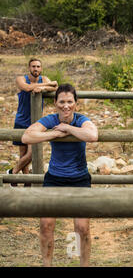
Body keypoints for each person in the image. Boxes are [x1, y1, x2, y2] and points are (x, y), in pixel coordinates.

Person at [22, 84, 98, 267]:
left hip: (79, 178)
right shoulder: (51, 120)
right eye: (62, 102)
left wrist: (69, 129)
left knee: (82, 228)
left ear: (76, 104)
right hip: (54, 178)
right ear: (55, 103)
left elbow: (92, 135)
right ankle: (47, 264)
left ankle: (84, 265)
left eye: (70, 102)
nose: (66, 106)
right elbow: (27, 137)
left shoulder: (80, 119)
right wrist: (54, 134)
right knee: (46, 225)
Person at [7, 58, 58, 186]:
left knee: (31, 154)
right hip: (21, 120)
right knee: (23, 153)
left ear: (41, 68)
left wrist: (43, 87)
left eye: (38, 66)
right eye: (33, 66)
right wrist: (45, 87)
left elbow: (56, 86)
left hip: (36, 122)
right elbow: (27, 88)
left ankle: (12, 173)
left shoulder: (44, 78)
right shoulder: (21, 79)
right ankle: (27, 181)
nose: (36, 69)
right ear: (29, 68)